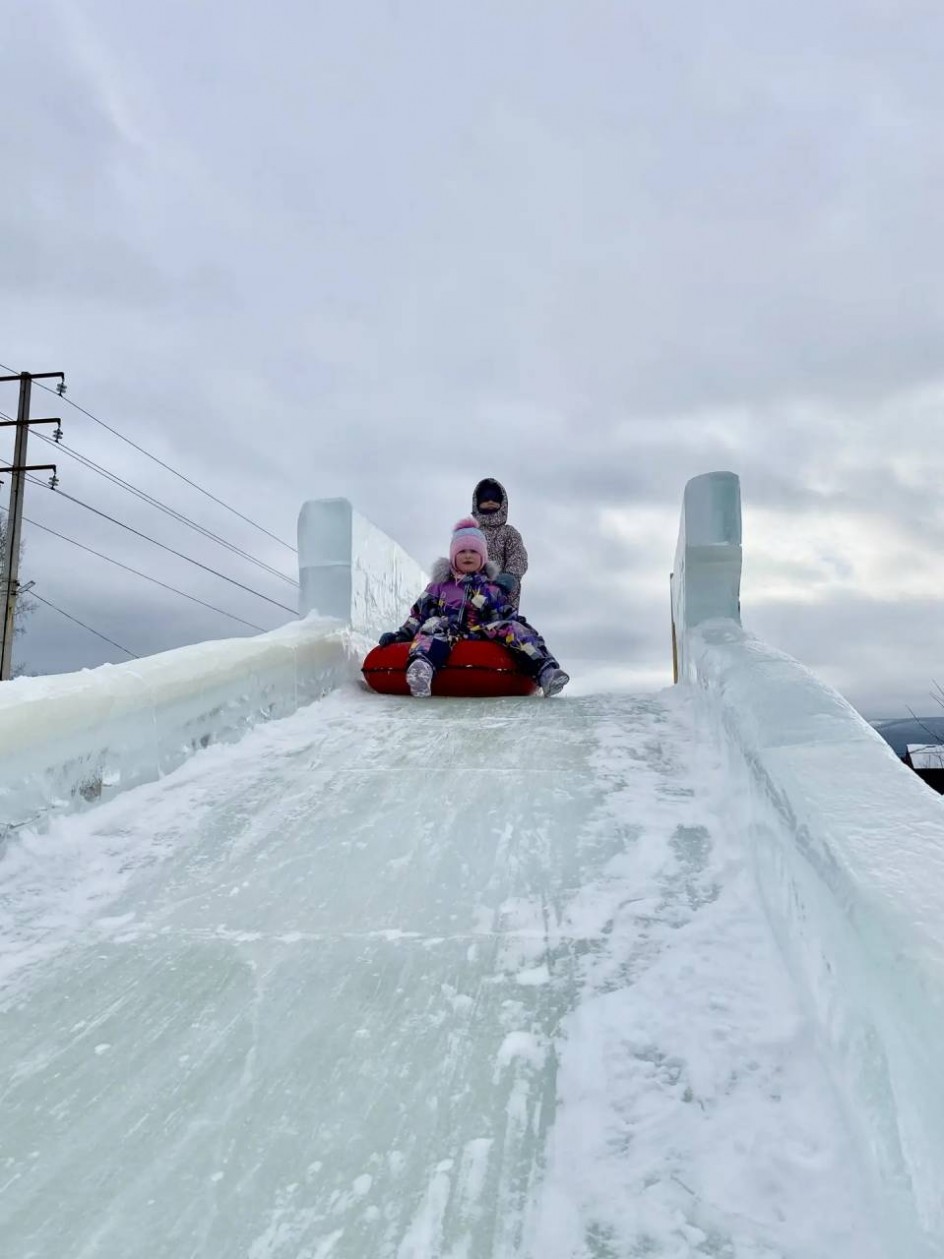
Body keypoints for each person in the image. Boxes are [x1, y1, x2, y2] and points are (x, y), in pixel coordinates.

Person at [377, 517, 569, 698]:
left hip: (484, 631)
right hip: (449, 629)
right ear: (453, 556)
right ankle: (422, 669)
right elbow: (418, 615)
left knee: (512, 628)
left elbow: (506, 614)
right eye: (462, 551)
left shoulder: (491, 589)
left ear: (483, 557)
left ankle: (545, 672)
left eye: (473, 551)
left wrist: (520, 625)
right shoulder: (438, 587)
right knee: (434, 623)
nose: (467, 555)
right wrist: (401, 635)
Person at [471, 478, 528, 611]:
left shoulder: (508, 532)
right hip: (473, 590)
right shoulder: (471, 534)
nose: (490, 501)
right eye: (485, 498)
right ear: (477, 502)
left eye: (495, 498)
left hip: (504, 593)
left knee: (499, 625)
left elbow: (518, 557)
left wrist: (508, 578)